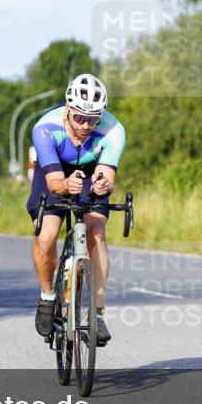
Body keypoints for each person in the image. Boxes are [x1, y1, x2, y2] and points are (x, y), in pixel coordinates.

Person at [27, 73, 125, 346]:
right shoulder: (45, 129)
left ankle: (97, 312)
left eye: (92, 119)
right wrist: (65, 184)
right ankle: (48, 297)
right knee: (47, 236)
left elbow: (106, 175)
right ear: (68, 109)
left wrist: (103, 186)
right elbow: (54, 183)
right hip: (54, 173)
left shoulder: (114, 130)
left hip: (89, 172)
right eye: (79, 117)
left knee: (96, 230)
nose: (85, 125)